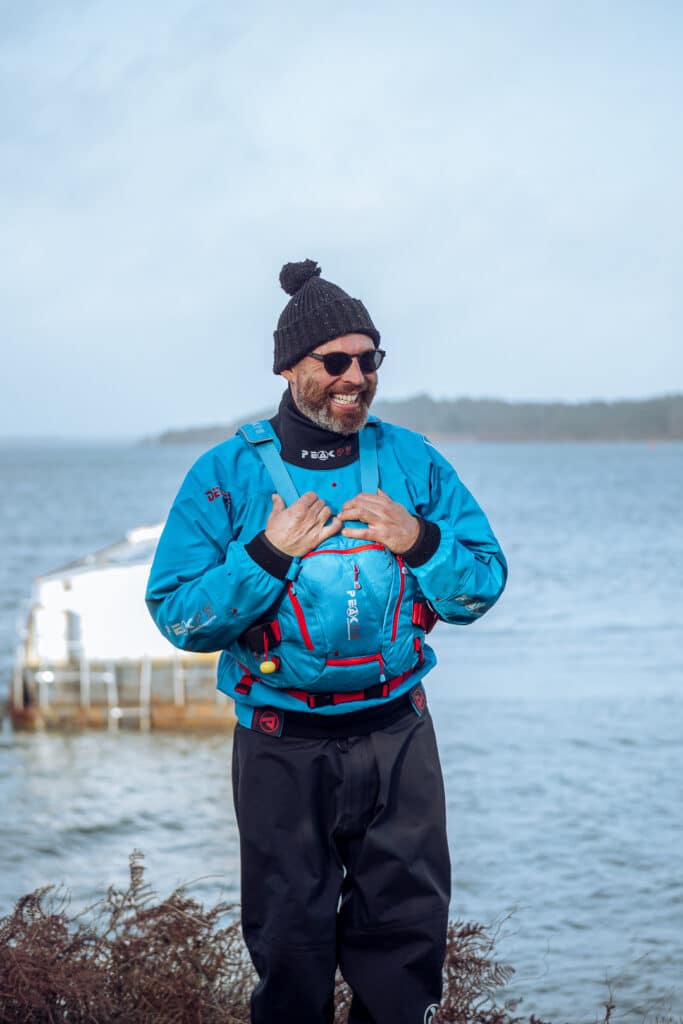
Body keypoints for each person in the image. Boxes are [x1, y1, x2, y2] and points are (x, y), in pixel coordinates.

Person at [146, 259, 507, 1024]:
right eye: (334, 361)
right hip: (282, 742)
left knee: (405, 949)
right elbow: (177, 615)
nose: (355, 377)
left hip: (396, 733)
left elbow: (482, 581)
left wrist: (420, 541)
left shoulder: (412, 462)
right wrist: (266, 557)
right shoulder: (227, 473)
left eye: (368, 359)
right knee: (290, 951)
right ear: (289, 366)